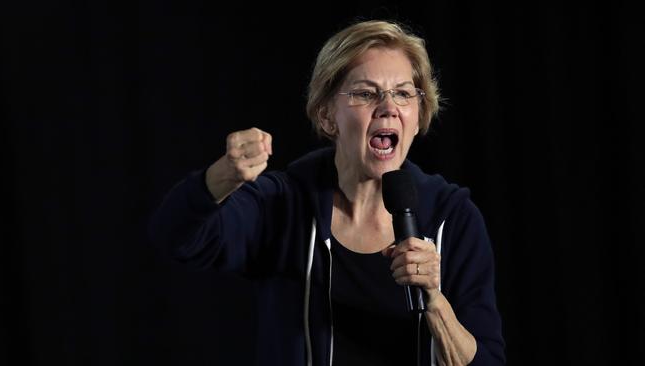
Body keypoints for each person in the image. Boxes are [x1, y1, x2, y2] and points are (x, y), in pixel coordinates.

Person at [149, 20, 505, 365]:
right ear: (326, 116)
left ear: (419, 113)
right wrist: (224, 174)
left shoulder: (452, 218)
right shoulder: (282, 205)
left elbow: (486, 360)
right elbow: (176, 236)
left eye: (402, 93)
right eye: (366, 93)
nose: (389, 107)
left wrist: (434, 298)